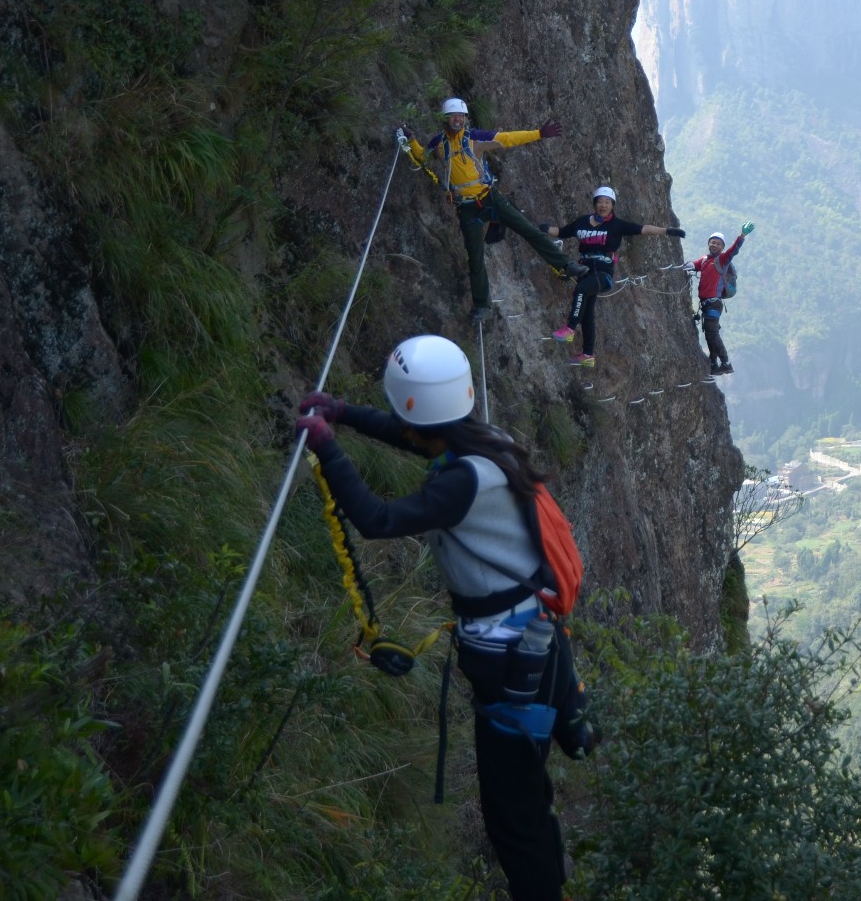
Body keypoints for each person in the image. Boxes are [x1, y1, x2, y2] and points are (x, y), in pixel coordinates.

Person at [294, 335, 593, 901]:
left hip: (507, 662)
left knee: (514, 814)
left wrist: (329, 448)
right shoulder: (486, 443)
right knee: (526, 800)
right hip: (534, 644)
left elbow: (378, 519)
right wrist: (346, 415)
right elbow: (414, 436)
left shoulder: (463, 482)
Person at [398, 98, 578, 322]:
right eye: (453, 115)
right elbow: (422, 157)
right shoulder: (439, 143)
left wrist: (539, 133)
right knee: (475, 257)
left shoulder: (475, 137)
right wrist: (412, 139)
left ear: (465, 118)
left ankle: (565, 264)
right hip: (466, 207)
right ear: (446, 118)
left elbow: (508, 138)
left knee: (528, 230)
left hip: (489, 197)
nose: (457, 119)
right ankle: (482, 305)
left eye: (460, 116)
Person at [544, 185, 685, 370]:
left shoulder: (616, 225)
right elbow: (561, 232)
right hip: (584, 271)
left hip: (603, 274)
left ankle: (570, 329)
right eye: (600, 202)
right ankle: (587, 354)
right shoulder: (581, 222)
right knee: (587, 314)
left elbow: (643, 229)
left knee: (581, 290)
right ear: (595, 204)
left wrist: (667, 231)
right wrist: (542, 229)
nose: (603, 205)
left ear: (612, 205)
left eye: (607, 202)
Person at [689, 222, 753, 374]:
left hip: (713, 303)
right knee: (710, 334)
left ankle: (726, 362)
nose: (715, 245)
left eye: (718, 243)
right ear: (709, 244)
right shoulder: (704, 260)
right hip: (706, 304)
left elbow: (734, 250)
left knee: (712, 333)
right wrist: (684, 266)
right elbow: (693, 265)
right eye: (712, 242)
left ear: (722, 247)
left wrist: (742, 236)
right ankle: (714, 364)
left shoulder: (723, 260)